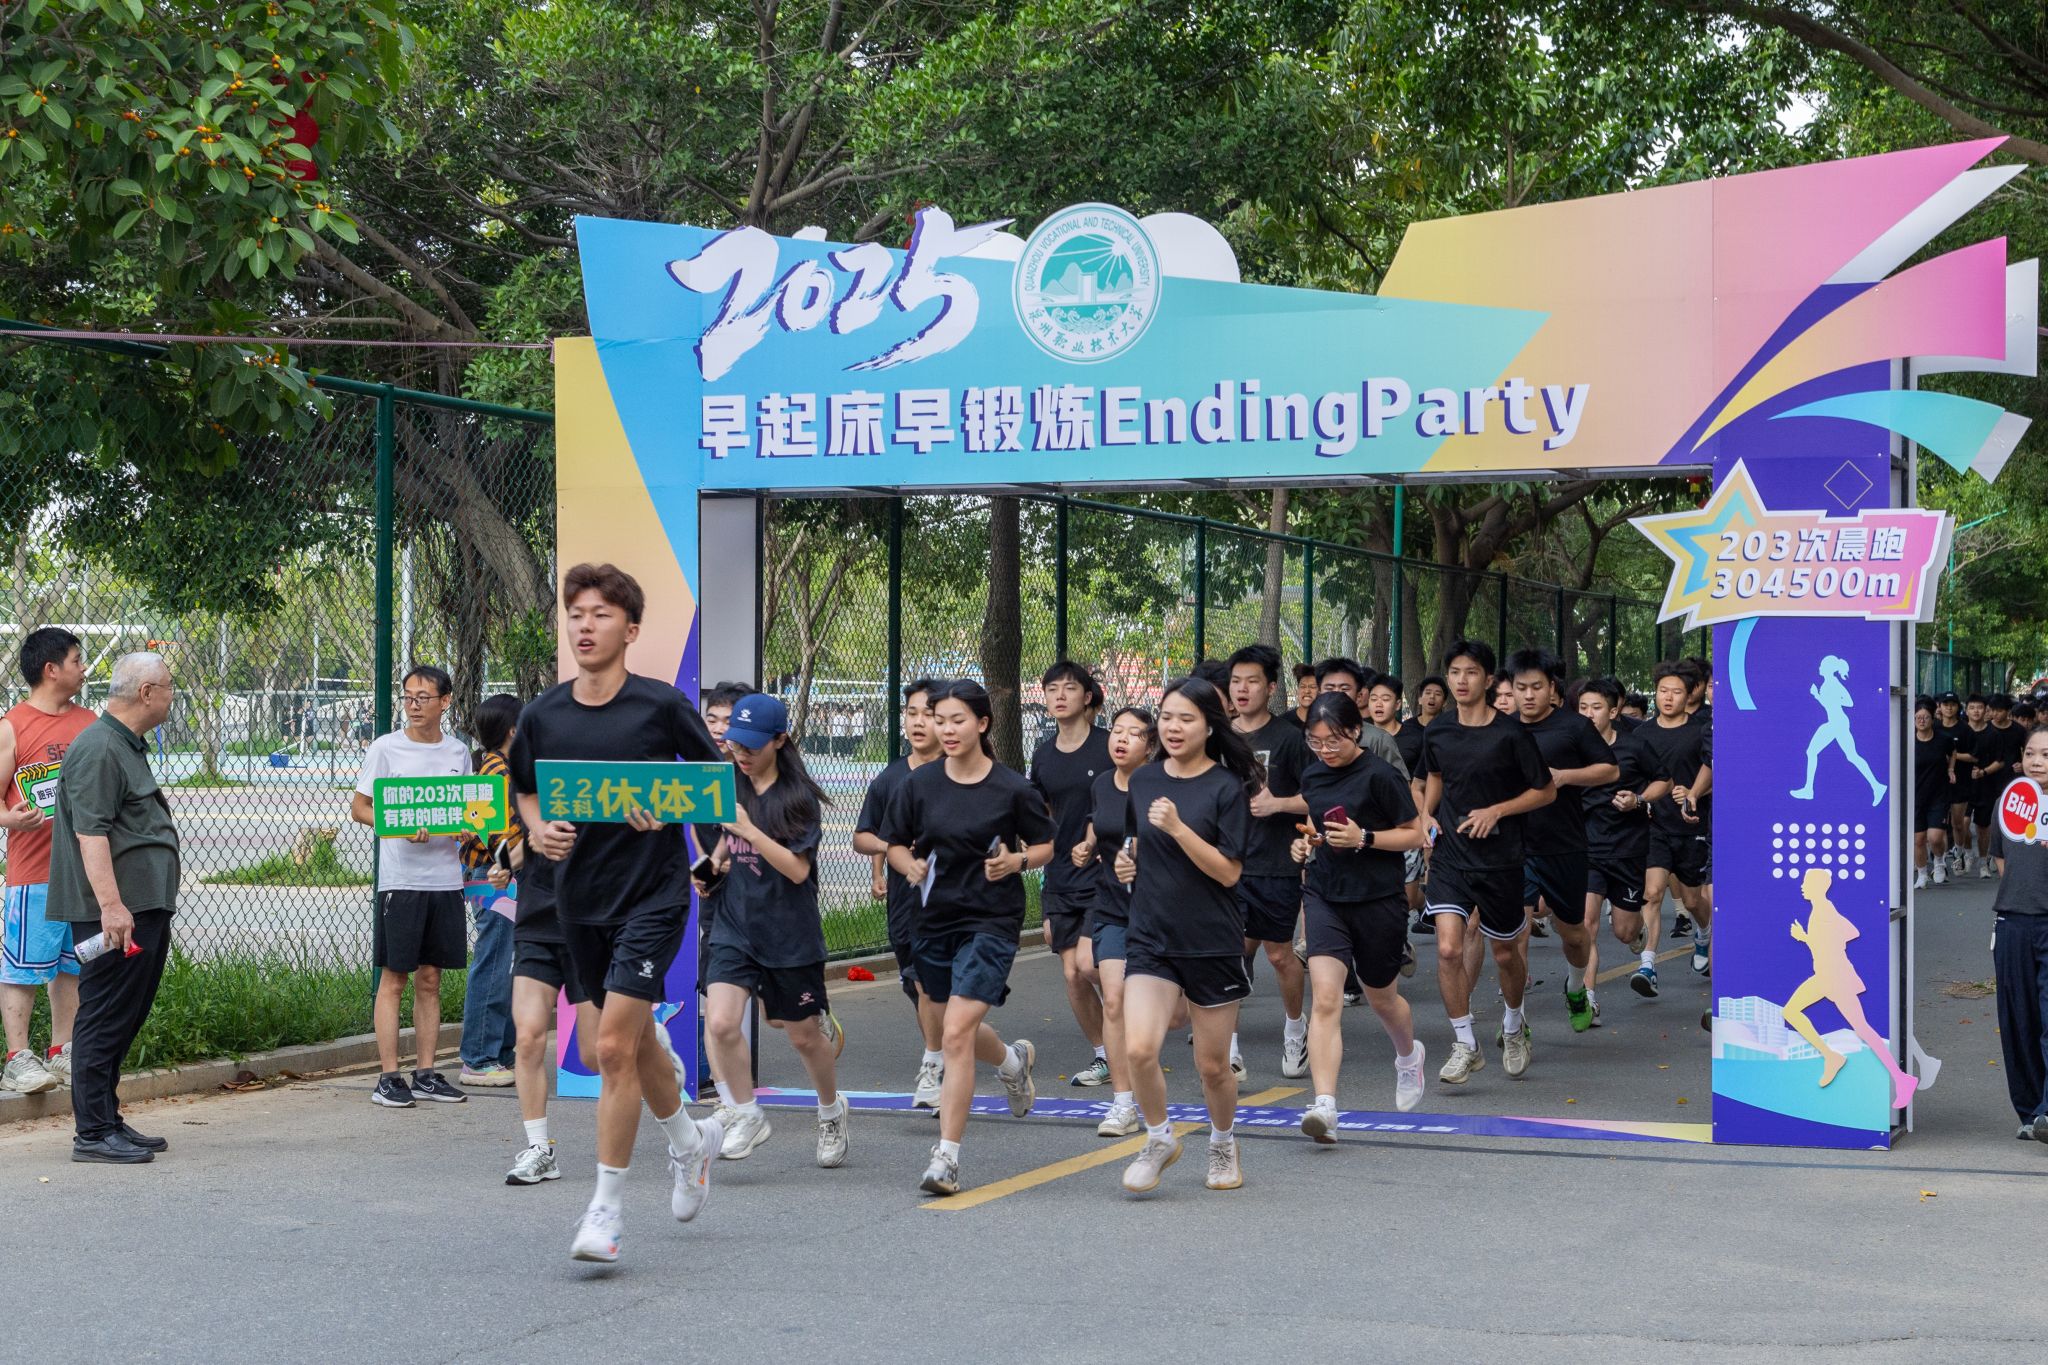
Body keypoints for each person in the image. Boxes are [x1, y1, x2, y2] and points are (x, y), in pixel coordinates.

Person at [508, 563, 726, 1265]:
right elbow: (524, 789)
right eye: (576, 613)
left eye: (601, 614)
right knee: (627, 1046)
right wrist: (538, 829)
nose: (585, 625)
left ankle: (605, 1211)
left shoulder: (660, 706)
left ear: (630, 630)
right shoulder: (543, 714)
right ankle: (690, 1142)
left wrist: (687, 826)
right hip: (578, 901)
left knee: (608, 1050)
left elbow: (710, 785)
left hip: (652, 896)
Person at [881, 679, 1054, 1197]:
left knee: (954, 1033)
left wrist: (1017, 861)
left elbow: (1046, 844)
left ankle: (946, 1158)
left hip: (991, 921)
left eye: (957, 720)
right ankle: (1011, 1061)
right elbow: (894, 843)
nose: (946, 730)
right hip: (933, 920)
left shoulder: (1012, 788)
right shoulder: (918, 784)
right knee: (952, 1024)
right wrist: (908, 864)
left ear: (982, 723)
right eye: (940, 721)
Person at [1117, 677, 1257, 1195]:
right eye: (1167, 717)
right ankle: (1159, 1138)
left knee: (1213, 1066)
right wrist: (1127, 860)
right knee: (1138, 1049)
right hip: (1151, 935)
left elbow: (1229, 872)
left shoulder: (1226, 788)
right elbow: (1137, 841)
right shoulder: (1144, 780)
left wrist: (1179, 829)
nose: (1173, 727)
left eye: (1186, 719)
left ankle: (1223, 1141)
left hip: (1211, 940)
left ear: (1209, 727)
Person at [699, 694, 848, 1168]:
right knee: (720, 1022)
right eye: (734, 744)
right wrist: (711, 866)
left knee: (801, 1036)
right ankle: (747, 1114)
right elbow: (727, 838)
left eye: (751, 746)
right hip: (734, 924)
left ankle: (831, 1111)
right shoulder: (731, 783)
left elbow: (798, 871)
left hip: (788, 932)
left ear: (780, 740)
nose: (740, 754)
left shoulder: (797, 798)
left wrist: (751, 832)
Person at [45, 652, 180, 1163]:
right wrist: (112, 907)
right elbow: (91, 833)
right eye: (168, 687)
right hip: (117, 913)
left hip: (140, 908)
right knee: (103, 1016)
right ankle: (93, 1133)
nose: (172, 695)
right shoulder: (100, 748)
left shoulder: (123, 744)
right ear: (146, 693)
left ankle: (107, 1118)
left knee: (123, 1015)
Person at [1291, 691, 1429, 1138]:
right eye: (1315, 742)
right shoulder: (1312, 774)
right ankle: (1325, 1107)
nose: (1325, 750)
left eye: (1333, 740)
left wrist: (1364, 838)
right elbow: (1318, 826)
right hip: (1324, 895)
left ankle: (1408, 1057)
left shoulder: (1381, 776)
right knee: (1325, 999)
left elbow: (1414, 835)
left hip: (1378, 898)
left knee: (1382, 998)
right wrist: (1307, 842)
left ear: (1355, 731)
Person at [1418, 639, 1554, 1085]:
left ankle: (1513, 1024)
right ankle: (1465, 1044)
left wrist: (1497, 811)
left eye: (1471, 672)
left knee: (1504, 952)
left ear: (1490, 679)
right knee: (1448, 948)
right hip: (1450, 856)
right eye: (1455, 672)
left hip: (1500, 859)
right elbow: (1434, 777)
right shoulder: (1438, 731)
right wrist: (1426, 816)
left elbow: (1545, 791)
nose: (1461, 680)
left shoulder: (1511, 734)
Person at [349, 665, 473, 1108]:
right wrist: (398, 826)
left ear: (446, 701)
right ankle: (388, 1077)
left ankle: (426, 1074)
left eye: (423, 697)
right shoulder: (386, 748)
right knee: (395, 977)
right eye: (408, 697)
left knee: (431, 978)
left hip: (445, 880)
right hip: (401, 881)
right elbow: (360, 808)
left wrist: (466, 828)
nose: (414, 705)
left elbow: (468, 811)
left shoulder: (458, 752)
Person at [1, 628, 93, 1096]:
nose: (84, 668)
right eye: (76, 660)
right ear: (51, 669)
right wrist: (10, 819)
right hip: (33, 873)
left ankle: (63, 1049)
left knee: (72, 965)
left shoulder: (90, 723)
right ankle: (17, 1058)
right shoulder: (13, 726)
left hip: (84, 874)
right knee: (23, 967)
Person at [1508, 649, 1618, 1035]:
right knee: (1514, 933)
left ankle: (1575, 987)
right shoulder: (1502, 728)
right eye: (1521, 687)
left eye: (1536, 687)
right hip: (1514, 847)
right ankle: (1514, 1019)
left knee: (1573, 933)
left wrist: (1565, 776)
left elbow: (1610, 770)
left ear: (1551, 688)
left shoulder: (1574, 727)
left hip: (1564, 844)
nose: (1528, 695)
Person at [852, 679, 947, 1107]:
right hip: (905, 901)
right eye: (912, 713)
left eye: (929, 713)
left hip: (954, 902)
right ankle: (998, 1058)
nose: (919, 722)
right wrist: (887, 856)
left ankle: (937, 1066)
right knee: (918, 986)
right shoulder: (889, 778)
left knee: (933, 985)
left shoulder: (961, 773)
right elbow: (864, 836)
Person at [1071, 705, 1158, 1137]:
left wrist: (1140, 853)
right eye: (1117, 730)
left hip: (1159, 906)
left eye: (1134, 733)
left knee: (1176, 1016)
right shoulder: (1102, 783)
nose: (1121, 738)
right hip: (1111, 904)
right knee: (1114, 998)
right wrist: (1087, 846)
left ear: (1150, 746)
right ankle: (1123, 1104)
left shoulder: (1158, 785)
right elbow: (1098, 823)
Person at [1226, 644, 1311, 1080]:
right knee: (1229, 953)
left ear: (1271, 687)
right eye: (1236, 681)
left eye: (1252, 681)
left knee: (1279, 955)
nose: (1242, 689)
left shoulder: (1289, 739)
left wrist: (1279, 804)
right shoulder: (1218, 737)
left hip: (1276, 863)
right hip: (1226, 864)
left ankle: (1295, 1029)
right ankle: (1229, 1048)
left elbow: (1317, 795)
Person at [1028, 661, 1113, 1087]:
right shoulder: (1042, 756)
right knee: (1072, 974)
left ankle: (1140, 1021)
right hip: (1060, 876)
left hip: (1104, 873)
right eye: (1052, 689)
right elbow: (1041, 816)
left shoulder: (1109, 745)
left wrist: (1097, 841)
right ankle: (1105, 1055)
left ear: (1087, 696)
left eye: (1069, 688)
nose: (1060, 695)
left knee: (1090, 964)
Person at [1783, 867, 1919, 1108]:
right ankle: (1832, 1056)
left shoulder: (1823, 910)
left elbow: (1833, 939)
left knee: (1862, 1028)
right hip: (1827, 974)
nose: (1802, 886)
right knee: (1793, 1011)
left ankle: (1900, 1078)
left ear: (1818, 886)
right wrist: (1815, 939)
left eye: (1806, 882)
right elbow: (1849, 932)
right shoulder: (1823, 909)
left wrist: (1804, 937)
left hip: (1834, 975)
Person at [1578, 678, 1671, 1018]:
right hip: (1586, 849)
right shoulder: (1572, 750)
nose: (1589, 714)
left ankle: (1638, 933)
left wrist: (1639, 799)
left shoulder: (1634, 746)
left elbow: (1664, 780)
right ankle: (1587, 998)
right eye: (1583, 708)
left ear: (1613, 711)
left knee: (1623, 930)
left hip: (1628, 849)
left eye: (1596, 707)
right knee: (1587, 924)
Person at [456, 693, 523, 1089]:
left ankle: (498, 1053)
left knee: (505, 961)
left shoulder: (500, 767)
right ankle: (479, 1057)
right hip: (495, 874)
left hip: (498, 872)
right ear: (514, 730)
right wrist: (520, 858)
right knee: (495, 960)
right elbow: (497, 834)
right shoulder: (497, 772)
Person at [1635, 661, 1712, 994]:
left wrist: (1693, 792)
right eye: (1662, 691)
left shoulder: (1702, 731)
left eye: (1676, 692)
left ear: (1690, 694)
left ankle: (1703, 934)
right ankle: (1647, 965)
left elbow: (1716, 771)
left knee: (1693, 901)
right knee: (1652, 892)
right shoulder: (1642, 734)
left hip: (1691, 825)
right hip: (1654, 826)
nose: (1668, 697)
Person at [1992, 725, 2048, 1142]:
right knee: (2020, 1022)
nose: (2037, 762)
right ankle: (2031, 1113)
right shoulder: (2007, 802)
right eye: (2031, 753)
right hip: (2012, 923)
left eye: (2046, 755)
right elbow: (2001, 862)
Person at [1370, 675, 1431, 940]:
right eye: (1374, 698)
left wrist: (1423, 820)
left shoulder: (1415, 737)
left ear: (1397, 704)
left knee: (1405, 899)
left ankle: (1400, 937)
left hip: (1405, 822)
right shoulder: (1356, 736)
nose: (1378, 704)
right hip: (1371, 825)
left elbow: (1421, 783)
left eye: (1385, 699)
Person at [1789, 655, 1885, 806]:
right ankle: (1877, 786)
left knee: (1843, 755)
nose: (1819, 668)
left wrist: (1824, 697)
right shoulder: (1827, 683)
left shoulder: (1833, 683)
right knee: (1845, 755)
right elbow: (1830, 704)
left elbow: (1849, 702)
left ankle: (1877, 786)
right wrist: (1818, 696)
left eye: (1822, 666)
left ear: (1827, 669)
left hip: (1838, 723)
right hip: (1834, 723)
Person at [1972, 695, 2024, 880]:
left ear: (2008, 712)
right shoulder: (1986, 729)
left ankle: (2000, 854)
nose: (1995, 714)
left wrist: (2022, 765)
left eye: (1999, 710)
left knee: (2007, 821)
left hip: (2010, 780)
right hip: (1986, 780)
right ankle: (1987, 857)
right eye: (1992, 710)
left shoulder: (2018, 730)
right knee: (1985, 822)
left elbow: (2027, 751)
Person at [1913, 700, 1951, 889]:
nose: (1922, 721)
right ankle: (1922, 874)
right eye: (1918, 718)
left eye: (1925, 717)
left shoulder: (1943, 739)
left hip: (1939, 795)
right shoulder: (1908, 741)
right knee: (1919, 839)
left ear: (1932, 719)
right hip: (1916, 796)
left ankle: (1939, 861)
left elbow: (1953, 753)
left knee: (1935, 838)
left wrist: (1951, 769)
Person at [1935, 693, 1974, 877]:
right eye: (1945, 704)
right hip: (1936, 783)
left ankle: (1959, 853)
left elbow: (1974, 756)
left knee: (1958, 824)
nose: (1949, 708)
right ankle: (1940, 863)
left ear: (1958, 707)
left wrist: (1953, 757)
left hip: (1961, 782)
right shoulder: (1934, 727)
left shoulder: (1965, 730)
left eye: (1952, 704)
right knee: (1940, 824)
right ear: (1939, 707)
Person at [1280, 664, 1318, 731]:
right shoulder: (1283, 722)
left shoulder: (1328, 721)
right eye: (1303, 687)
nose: (1307, 691)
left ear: (1320, 691)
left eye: (1312, 687)